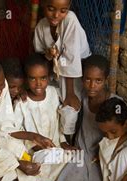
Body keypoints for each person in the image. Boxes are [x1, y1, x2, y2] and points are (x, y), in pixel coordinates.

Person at [53, 54, 115, 181]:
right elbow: (55, 91)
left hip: (101, 155)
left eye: (98, 81)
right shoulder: (81, 97)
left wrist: (103, 154)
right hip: (82, 150)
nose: (92, 86)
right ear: (82, 79)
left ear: (105, 80)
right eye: (87, 79)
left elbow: (119, 136)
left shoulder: (114, 104)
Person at [33, 0, 91, 141]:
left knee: (69, 108)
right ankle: (55, 139)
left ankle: (68, 141)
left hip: (75, 73)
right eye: (51, 9)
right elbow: (40, 55)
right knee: (49, 104)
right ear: (43, 6)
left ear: (68, 9)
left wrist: (70, 93)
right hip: (54, 72)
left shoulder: (70, 20)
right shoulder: (41, 26)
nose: (56, 15)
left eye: (62, 11)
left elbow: (71, 58)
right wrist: (48, 54)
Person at [14, 53, 73, 181]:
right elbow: (16, 132)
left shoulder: (53, 93)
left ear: (49, 77)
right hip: (35, 152)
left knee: (74, 157)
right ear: (25, 79)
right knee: (42, 165)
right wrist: (35, 147)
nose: (38, 83)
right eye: (32, 79)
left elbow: (58, 122)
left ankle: (52, 179)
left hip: (55, 148)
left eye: (43, 78)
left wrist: (63, 142)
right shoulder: (21, 103)